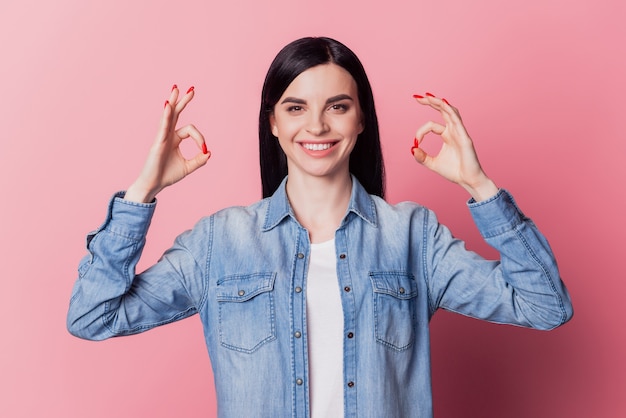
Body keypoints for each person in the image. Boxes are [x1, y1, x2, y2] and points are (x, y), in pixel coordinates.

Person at [67, 37, 573, 418]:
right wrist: (141, 193)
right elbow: (92, 316)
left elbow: (545, 305)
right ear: (273, 123)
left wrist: (480, 187)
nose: (317, 126)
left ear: (361, 121)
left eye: (338, 106)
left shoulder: (413, 237)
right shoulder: (219, 243)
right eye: (296, 107)